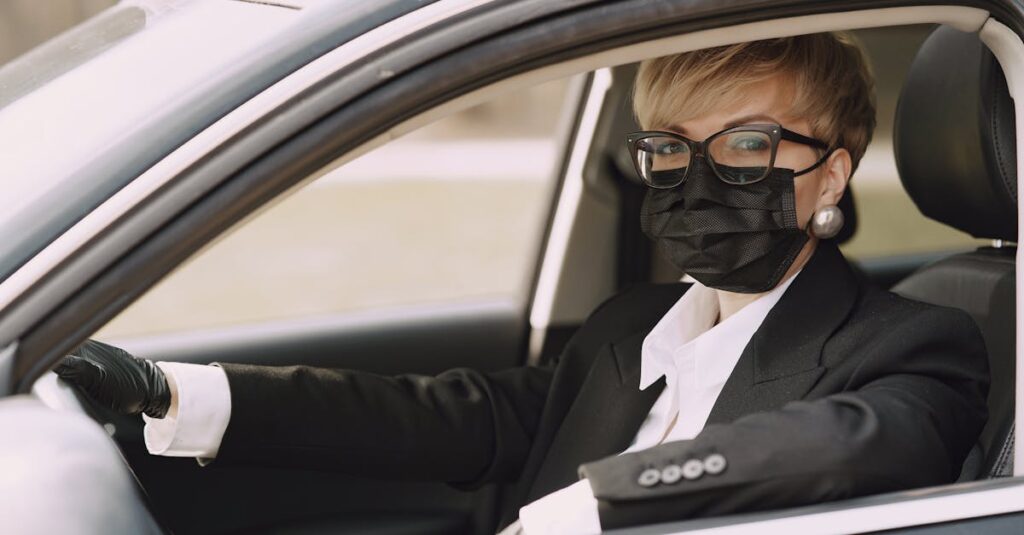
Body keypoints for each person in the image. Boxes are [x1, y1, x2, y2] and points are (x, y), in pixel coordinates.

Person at [55, 32, 989, 535]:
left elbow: (858, 445)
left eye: (746, 144)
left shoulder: (911, 341)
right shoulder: (629, 329)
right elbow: (445, 416)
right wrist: (172, 391)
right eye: (669, 149)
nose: (696, 180)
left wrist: (607, 499)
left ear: (830, 172)